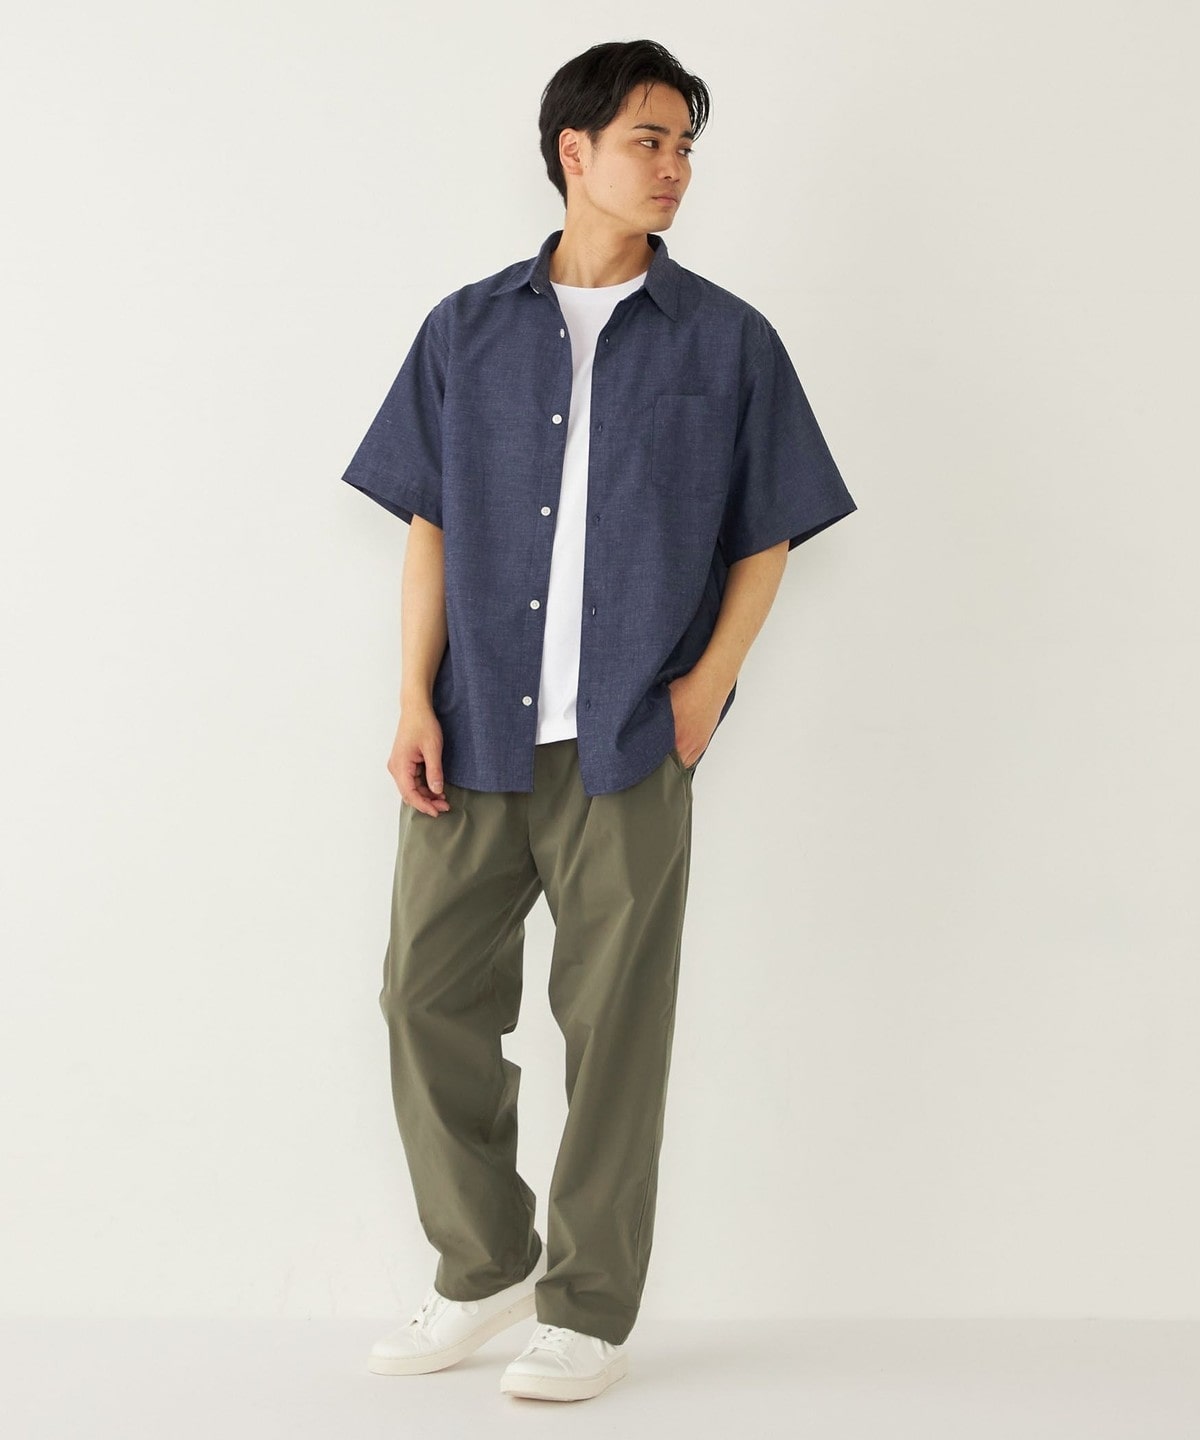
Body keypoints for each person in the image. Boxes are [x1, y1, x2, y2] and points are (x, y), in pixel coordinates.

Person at [341, 38, 857, 1404]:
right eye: (649, 140)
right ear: (574, 152)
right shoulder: (463, 330)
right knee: (422, 997)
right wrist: (412, 699)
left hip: (628, 741)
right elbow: (429, 525)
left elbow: (769, 532)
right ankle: (483, 1264)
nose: (675, 167)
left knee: (615, 1031)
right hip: (474, 734)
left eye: (686, 145)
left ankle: (587, 1307)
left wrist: (705, 688)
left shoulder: (729, 340)